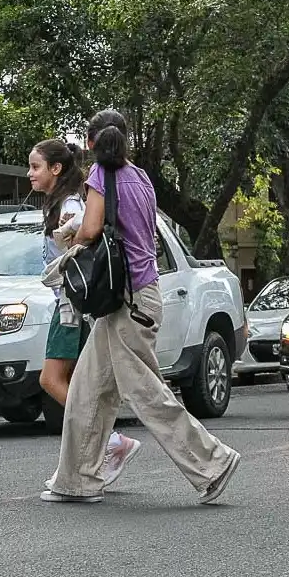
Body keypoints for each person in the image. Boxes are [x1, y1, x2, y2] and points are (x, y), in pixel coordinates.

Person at [42, 110, 241, 505]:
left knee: (146, 392)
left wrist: (70, 236)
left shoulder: (101, 176)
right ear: (126, 139)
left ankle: (213, 463)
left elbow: (93, 228)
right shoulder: (141, 177)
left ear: (91, 141)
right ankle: (77, 480)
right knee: (86, 388)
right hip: (139, 296)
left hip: (127, 301)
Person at [28, 139, 141, 489]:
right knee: (81, 382)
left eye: (36, 166)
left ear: (55, 169)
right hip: (72, 304)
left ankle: (110, 443)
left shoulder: (70, 204)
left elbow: (83, 235)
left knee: (51, 380)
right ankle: (91, 459)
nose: (30, 174)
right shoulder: (62, 201)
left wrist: (68, 233)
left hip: (69, 306)